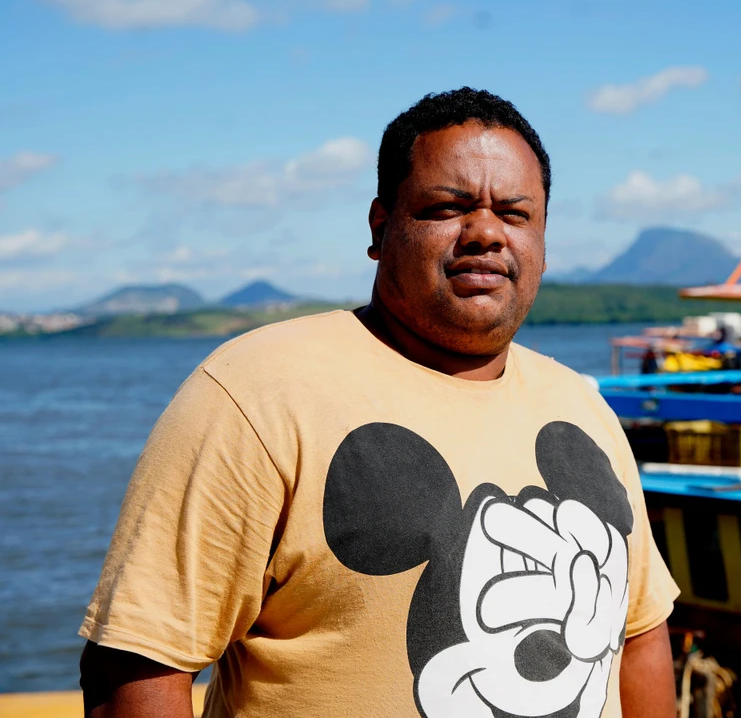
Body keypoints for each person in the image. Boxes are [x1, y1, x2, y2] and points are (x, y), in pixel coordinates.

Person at [78, 88, 680, 717]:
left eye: (515, 213)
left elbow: (639, 635)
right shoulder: (259, 393)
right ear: (379, 227)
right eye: (447, 206)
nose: (484, 233)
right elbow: (141, 663)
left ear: (544, 242)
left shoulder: (582, 409)